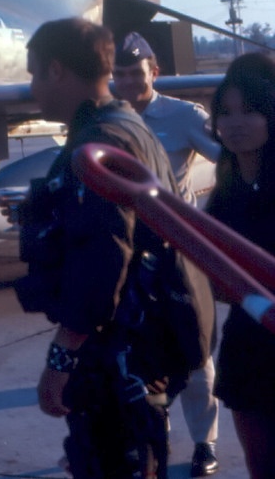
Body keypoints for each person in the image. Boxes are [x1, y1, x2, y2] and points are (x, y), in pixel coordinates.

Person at [14, 18, 213, 478]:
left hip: (121, 351)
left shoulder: (101, 142)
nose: (32, 87)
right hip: (141, 343)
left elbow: (103, 261)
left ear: (57, 70)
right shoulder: (123, 124)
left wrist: (62, 358)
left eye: (35, 73)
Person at [112, 31, 222, 477]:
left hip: (178, 255)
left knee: (194, 352)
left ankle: (205, 443)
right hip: (127, 256)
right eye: (119, 74)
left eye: (135, 73)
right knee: (135, 356)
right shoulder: (105, 119)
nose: (127, 83)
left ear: (154, 72)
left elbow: (229, 158)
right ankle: (154, 438)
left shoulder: (182, 116)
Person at [205, 61, 275, 479]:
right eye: (225, 113)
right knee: (261, 467)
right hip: (248, 348)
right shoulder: (225, 194)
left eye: (249, 112)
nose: (235, 124)